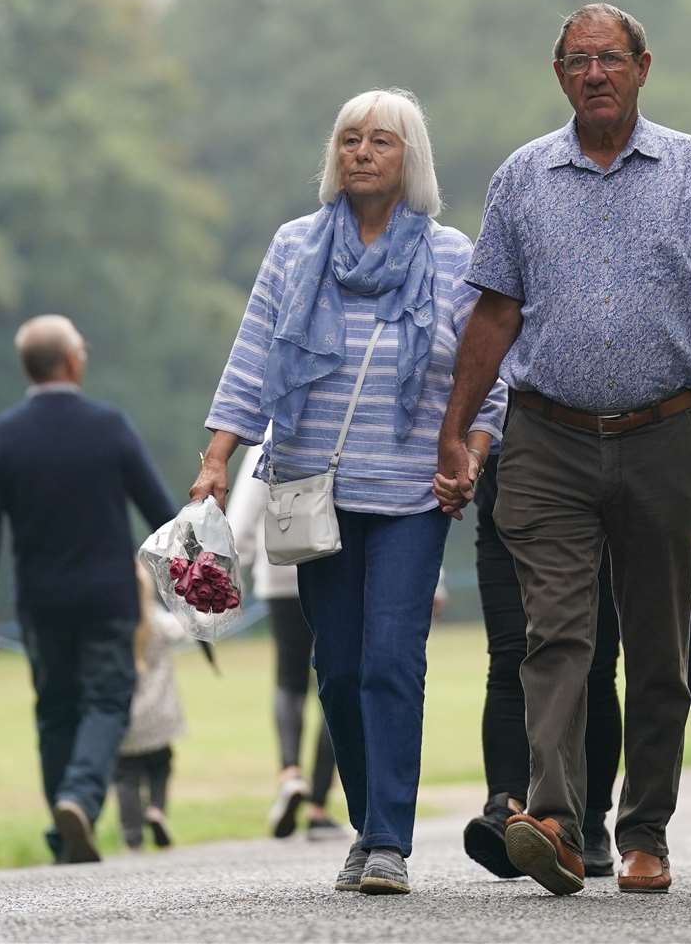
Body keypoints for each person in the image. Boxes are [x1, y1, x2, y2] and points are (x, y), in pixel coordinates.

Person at [435, 2, 691, 897]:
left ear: (642, 66)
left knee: (658, 642)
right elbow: (495, 313)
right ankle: (556, 822)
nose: (595, 72)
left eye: (610, 57)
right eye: (578, 60)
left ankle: (645, 832)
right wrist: (456, 424)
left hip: (662, 435)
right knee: (555, 635)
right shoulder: (523, 178)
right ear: (559, 75)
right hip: (546, 437)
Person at [191, 88, 504, 896]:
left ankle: (390, 840)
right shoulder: (295, 247)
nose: (361, 153)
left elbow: (486, 376)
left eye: (381, 142)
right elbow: (254, 357)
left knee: (392, 660)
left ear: (412, 160)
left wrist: (469, 452)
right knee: (336, 666)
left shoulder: (451, 256)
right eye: (349, 140)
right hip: (309, 491)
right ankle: (369, 825)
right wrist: (218, 459)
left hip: (408, 493)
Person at [0, 314, 175, 864]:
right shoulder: (109, 426)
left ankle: (65, 832)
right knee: (107, 700)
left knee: (55, 708)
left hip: (40, 601)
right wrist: (193, 570)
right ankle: (79, 799)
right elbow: (157, 511)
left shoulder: (1, 435)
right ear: (71, 361)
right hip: (108, 597)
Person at [464, 447, 623, 879]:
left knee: (593, 664)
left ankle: (589, 820)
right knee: (509, 658)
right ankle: (506, 807)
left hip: (594, 510)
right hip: (505, 505)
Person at [225, 442, 344, 841]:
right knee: (337, 677)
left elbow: (246, 504)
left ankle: (290, 773)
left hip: (279, 566)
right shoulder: (348, 411)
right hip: (335, 561)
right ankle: (317, 805)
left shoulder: (274, 430)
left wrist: (234, 563)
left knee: (289, 679)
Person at [114, 566, 187, 852]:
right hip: (160, 713)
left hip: (126, 717)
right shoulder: (157, 620)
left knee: (125, 776)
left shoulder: (113, 627)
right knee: (161, 764)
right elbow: (184, 629)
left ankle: (132, 836)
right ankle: (156, 809)